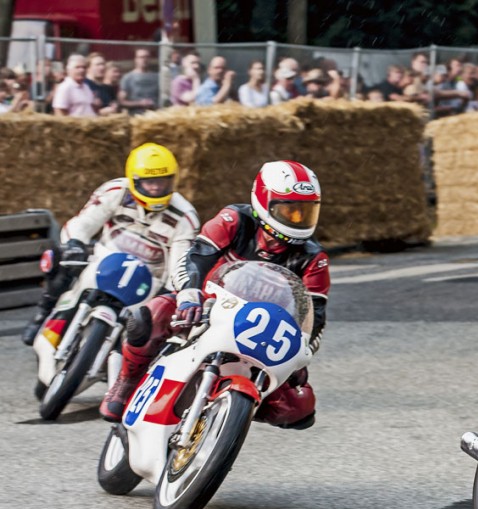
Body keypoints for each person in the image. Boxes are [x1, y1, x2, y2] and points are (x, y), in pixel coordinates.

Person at [99, 160, 330, 429]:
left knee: (300, 409)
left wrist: (300, 353)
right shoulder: (235, 219)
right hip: (206, 304)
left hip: (258, 329)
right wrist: (189, 292)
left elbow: (316, 315)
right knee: (146, 318)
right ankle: (127, 380)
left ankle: (234, 406)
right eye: (289, 211)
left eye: (305, 212)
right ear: (263, 202)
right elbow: (196, 256)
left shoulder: (314, 257)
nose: (298, 220)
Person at [22, 144, 199, 346]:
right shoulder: (116, 190)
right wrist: (75, 243)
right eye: (149, 182)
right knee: (59, 257)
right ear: (134, 180)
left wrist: (170, 291)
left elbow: (181, 260)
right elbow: (84, 222)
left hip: (149, 280)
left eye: (162, 181)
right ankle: (45, 310)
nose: (156, 188)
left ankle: (129, 370)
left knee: (158, 328)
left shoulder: (185, 215)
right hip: (104, 262)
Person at [119, 48, 159, 115]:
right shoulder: (128, 78)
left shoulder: (157, 76)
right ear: (136, 59)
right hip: (136, 116)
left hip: (155, 116)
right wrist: (140, 103)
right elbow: (122, 101)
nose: (144, 60)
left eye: (147, 57)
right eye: (141, 57)